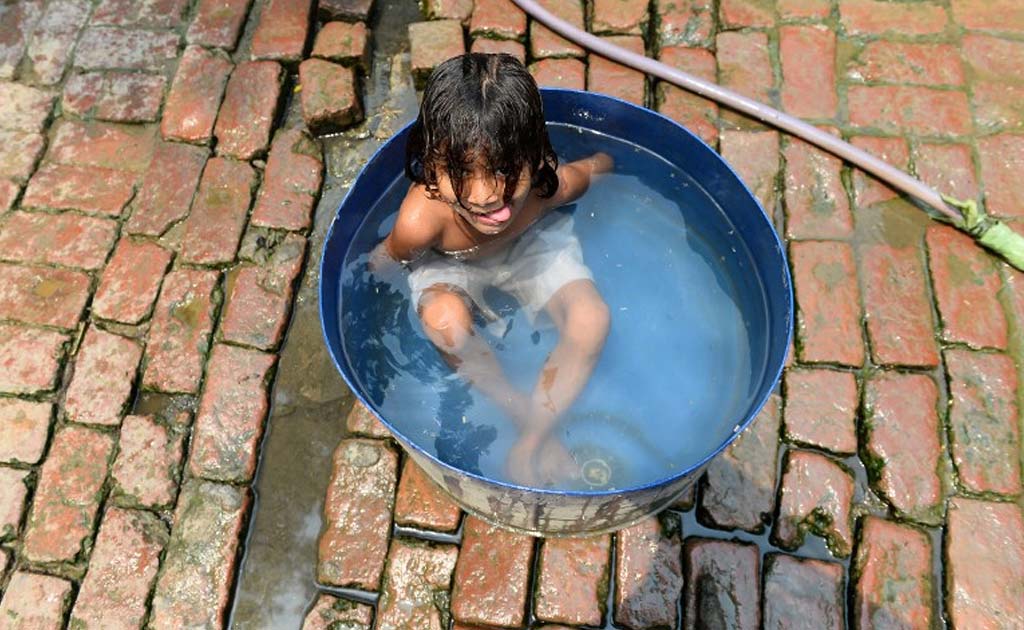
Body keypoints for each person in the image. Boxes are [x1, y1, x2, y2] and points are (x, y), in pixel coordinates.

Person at [372, 53, 612, 486]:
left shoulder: (543, 191)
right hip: (451, 266)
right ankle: (525, 416)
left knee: (592, 319)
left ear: (537, 157)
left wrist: (607, 162)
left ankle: (531, 439)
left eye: (504, 168)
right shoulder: (421, 221)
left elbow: (593, 170)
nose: (485, 195)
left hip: (528, 246)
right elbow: (384, 263)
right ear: (431, 166)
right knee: (444, 320)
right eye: (461, 172)